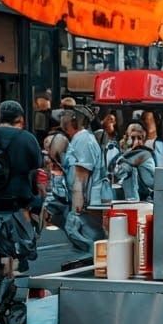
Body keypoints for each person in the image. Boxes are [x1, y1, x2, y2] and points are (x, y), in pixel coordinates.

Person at [0, 101, 44, 276]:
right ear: (20, 118)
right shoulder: (28, 139)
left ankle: (2, 279)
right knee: (19, 248)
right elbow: (36, 171)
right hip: (19, 205)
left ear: (0, 116)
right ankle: (11, 280)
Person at [59, 107, 106, 250]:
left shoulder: (83, 139)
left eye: (64, 114)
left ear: (74, 119)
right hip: (85, 206)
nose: (61, 117)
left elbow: (81, 178)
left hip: (85, 208)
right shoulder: (80, 139)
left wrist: (75, 212)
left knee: (91, 247)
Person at [104, 123, 157, 202]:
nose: (136, 142)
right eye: (132, 138)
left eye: (139, 138)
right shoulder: (121, 153)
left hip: (144, 199)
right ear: (126, 138)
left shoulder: (145, 153)